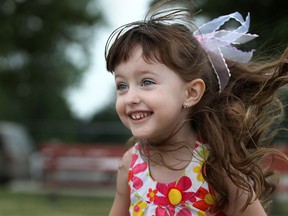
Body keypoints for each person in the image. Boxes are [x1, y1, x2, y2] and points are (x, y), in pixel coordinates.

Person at [105, 0, 288, 215]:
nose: (130, 98)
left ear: (191, 93)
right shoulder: (131, 164)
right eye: (122, 85)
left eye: (147, 82)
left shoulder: (217, 167)